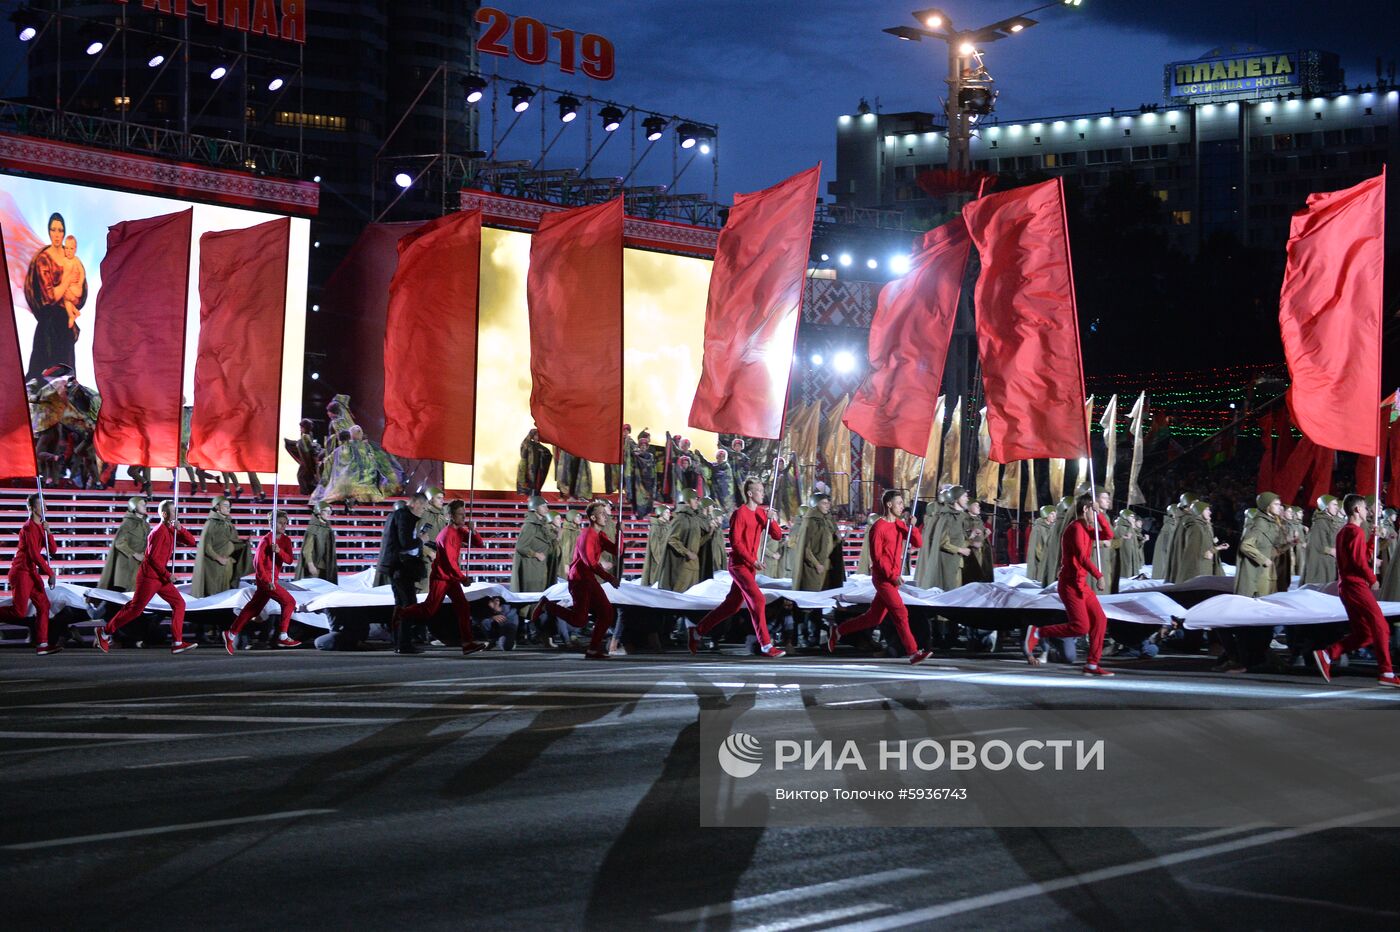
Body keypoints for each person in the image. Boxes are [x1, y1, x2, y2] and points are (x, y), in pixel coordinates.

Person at [686, 476, 787, 659]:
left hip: (750, 567)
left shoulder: (763, 513)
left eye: (763, 490)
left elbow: (778, 536)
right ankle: (765, 644)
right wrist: (753, 560)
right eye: (759, 490)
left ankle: (697, 631)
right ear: (750, 493)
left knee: (731, 606)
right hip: (739, 565)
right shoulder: (739, 514)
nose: (763, 494)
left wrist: (772, 520)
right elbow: (736, 543)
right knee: (758, 600)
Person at [828, 490, 930, 665]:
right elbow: (877, 558)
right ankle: (913, 652)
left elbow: (918, 543)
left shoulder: (899, 524)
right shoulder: (878, 527)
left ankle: (839, 630)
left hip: (893, 577)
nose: (902, 506)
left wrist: (913, 527)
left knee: (873, 618)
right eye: (899, 503)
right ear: (889, 505)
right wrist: (892, 576)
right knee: (900, 612)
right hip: (883, 578)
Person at [1023, 492, 1115, 676]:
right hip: (1070, 584)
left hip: (1081, 584)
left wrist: (1100, 516)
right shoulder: (1075, 529)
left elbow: (1107, 534)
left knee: (1100, 620)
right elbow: (1081, 557)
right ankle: (1038, 632)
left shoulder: (1087, 527)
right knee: (1081, 627)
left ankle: (1091, 664)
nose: (1096, 513)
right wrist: (1099, 575)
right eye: (1094, 509)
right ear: (1086, 508)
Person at [1313, 494, 1398, 688]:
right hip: (1356, 586)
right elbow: (1359, 562)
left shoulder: (1346, 532)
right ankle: (1386, 671)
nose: (1368, 511)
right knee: (1381, 627)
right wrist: (1372, 578)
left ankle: (1327, 654)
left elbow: (1361, 555)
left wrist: (1372, 540)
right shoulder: (1355, 532)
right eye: (1365, 508)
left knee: (1365, 634)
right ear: (1357, 510)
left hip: (1347, 587)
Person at [96, 500, 199, 654]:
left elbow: (191, 542)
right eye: (173, 511)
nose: (176, 513)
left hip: (160, 578)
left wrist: (181, 528)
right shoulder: (158, 532)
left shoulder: (171, 529)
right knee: (135, 610)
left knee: (179, 604)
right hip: (150, 577)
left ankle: (177, 642)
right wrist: (167, 575)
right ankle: (104, 631)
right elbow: (152, 559)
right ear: (164, 514)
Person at [398, 500, 489, 656]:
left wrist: (474, 531)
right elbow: (450, 563)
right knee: (429, 609)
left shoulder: (460, 531)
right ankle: (401, 613)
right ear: (451, 516)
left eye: (464, 514)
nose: (464, 517)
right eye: (460, 514)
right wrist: (463, 579)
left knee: (463, 607)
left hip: (451, 578)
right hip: (442, 577)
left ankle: (467, 643)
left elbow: (479, 544)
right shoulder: (446, 535)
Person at [535, 500, 619, 659]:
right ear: (593, 518)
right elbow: (590, 562)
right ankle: (547, 605)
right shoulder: (586, 535)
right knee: (580, 620)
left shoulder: (600, 535)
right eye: (602, 513)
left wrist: (621, 533)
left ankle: (593, 649)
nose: (606, 516)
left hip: (589, 580)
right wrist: (610, 578)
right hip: (580, 579)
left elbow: (617, 550)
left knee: (606, 612)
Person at [223, 511, 302, 652]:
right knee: (289, 602)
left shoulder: (286, 540)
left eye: (285, 523)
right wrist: (267, 581)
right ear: (271, 523)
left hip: (273, 579)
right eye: (280, 523)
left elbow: (289, 560)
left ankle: (230, 634)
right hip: (265, 580)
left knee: (253, 609)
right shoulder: (266, 541)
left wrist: (279, 551)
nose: (284, 525)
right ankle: (283, 635)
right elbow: (257, 564)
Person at [24, 213, 86, 378]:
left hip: (64, 325)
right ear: (49, 231)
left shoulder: (71, 257)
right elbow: (50, 296)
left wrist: (72, 294)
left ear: (64, 233)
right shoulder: (44, 259)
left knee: (65, 378)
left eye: (60, 230)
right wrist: (67, 282)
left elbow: (79, 295)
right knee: (41, 377)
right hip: (48, 325)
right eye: (53, 229)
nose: (57, 234)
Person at [0, 494, 59, 654]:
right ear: (32, 508)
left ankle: (42, 644)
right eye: (42, 505)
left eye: (46, 505)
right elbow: (34, 554)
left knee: (44, 605)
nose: (46, 508)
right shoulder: (28, 527)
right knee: (19, 612)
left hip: (31, 572)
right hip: (21, 572)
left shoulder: (41, 526)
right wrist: (50, 573)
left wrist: (49, 532)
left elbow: (52, 550)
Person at [381, 491, 430, 654]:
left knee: (400, 604)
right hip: (401, 567)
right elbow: (406, 543)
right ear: (415, 503)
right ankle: (404, 643)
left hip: (393, 566)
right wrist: (420, 540)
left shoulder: (395, 516)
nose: (423, 510)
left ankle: (399, 642)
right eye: (422, 506)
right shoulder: (405, 517)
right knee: (408, 604)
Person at [191, 496, 250, 599]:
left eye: (229, 506)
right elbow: (206, 545)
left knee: (225, 593)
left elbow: (232, 541)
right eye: (225, 506)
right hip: (214, 565)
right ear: (217, 507)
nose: (228, 508)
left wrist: (244, 543)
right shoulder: (211, 523)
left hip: (227, 563)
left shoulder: (228, 523)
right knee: (214, 594)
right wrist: (219, 558)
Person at [660, 490, 711, 592]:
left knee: (691, 595)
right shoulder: (680, 518)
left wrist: (709, 534)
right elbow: (672, 538)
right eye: (694, 499)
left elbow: (696, 542)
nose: (697, 502)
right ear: (687, 501)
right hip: (683, 565)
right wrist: (687, 552)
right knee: (679, 596)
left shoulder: (694, 518)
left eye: (698, 499)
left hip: (693, 565)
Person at [794, 493, 845, 592]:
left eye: (828, 503)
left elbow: (828, 544)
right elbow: (805, 548)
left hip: (826, 566)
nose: (828, 505)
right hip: (813, 568)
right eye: (824, 503)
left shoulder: (827, 520)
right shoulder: (810, 521)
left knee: (824, 598)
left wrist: (838, 539)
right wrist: (816, 564)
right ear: (815, 504)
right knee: (811, 598)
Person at [98, 496, 148, 593]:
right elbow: (119, 542)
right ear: (134, 507)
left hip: (139, 563)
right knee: (123, 593)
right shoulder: (127, 523)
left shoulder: (145, 525)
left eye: (144, 504)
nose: (145, 506)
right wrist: (134, 554)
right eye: (141, 504)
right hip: (126, 563)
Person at [509, 496, 556, 593]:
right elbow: (521, 547)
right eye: (543, 507)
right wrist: (536, 554)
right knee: (532, 597)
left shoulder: (541, 524)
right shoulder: (530, 526)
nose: (547, 509)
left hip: (539, 567)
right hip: (530, 567)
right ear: (535, 508)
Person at [1302, 494, 1344, 585]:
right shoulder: (1321, 522)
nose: (1337, 508)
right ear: (1325, 507)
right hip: (1321, 564)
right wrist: (1331, 551)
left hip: (1328, 562)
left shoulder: (1329, 521)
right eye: (1334, 505)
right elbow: (1316, 544)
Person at [415, 487, 449, 594]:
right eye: (439, 498)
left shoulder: (442, 515)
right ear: (431, 500)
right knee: (426, 590)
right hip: (428, 557)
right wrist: (428, 552)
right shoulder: (425, 514)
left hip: (439, 555)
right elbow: (417, 537)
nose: (442, 501)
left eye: (442, 498)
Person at [295, 502, 339, 582]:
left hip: (326, 566)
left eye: (330, 512)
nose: (329, 514)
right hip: (316, 567)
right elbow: (307, 550)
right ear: (319, 513)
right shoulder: (313, 529)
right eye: (326, 511)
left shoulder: (327, 528)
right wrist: (311, 565)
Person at [57, 234, 85, 328]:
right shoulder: (64, 260)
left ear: (75, 249)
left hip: (76, 287)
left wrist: (80, 284)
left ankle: (71, 316)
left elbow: (82, 273)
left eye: (71, 249)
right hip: (68, 287)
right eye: (67, 248)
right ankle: (75, 312)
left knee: (65, 297)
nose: (68, 251)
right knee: (66, 300)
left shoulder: (76, 260)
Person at [640, 505, 672, 586]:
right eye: (667, 512)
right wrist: (661, 562)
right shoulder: (655, 527)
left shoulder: (668, 526)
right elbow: (655, 548)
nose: (669, 514)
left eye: (669, 512)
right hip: (658, 563)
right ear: (661, 514)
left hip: (665, 561)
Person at [516, 428, 552, 495]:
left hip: (537, 468)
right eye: (536, 435)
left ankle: (534, 495)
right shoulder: (527, 443)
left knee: (536, 483)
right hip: (527, 467)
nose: (538, 437)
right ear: (532, 435)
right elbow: (523, 454)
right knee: (527, 482)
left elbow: (548, 454)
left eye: (538, 435)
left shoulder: (539, 446)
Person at [1025, 506, 1055, 584]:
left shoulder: (1051, 528)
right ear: (1045, 515)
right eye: (1051, 514)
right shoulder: (1038, 529)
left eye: (1055, 514)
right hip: (1041, 564)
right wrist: (1046, 562)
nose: (1054, 516)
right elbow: (1037, 549)